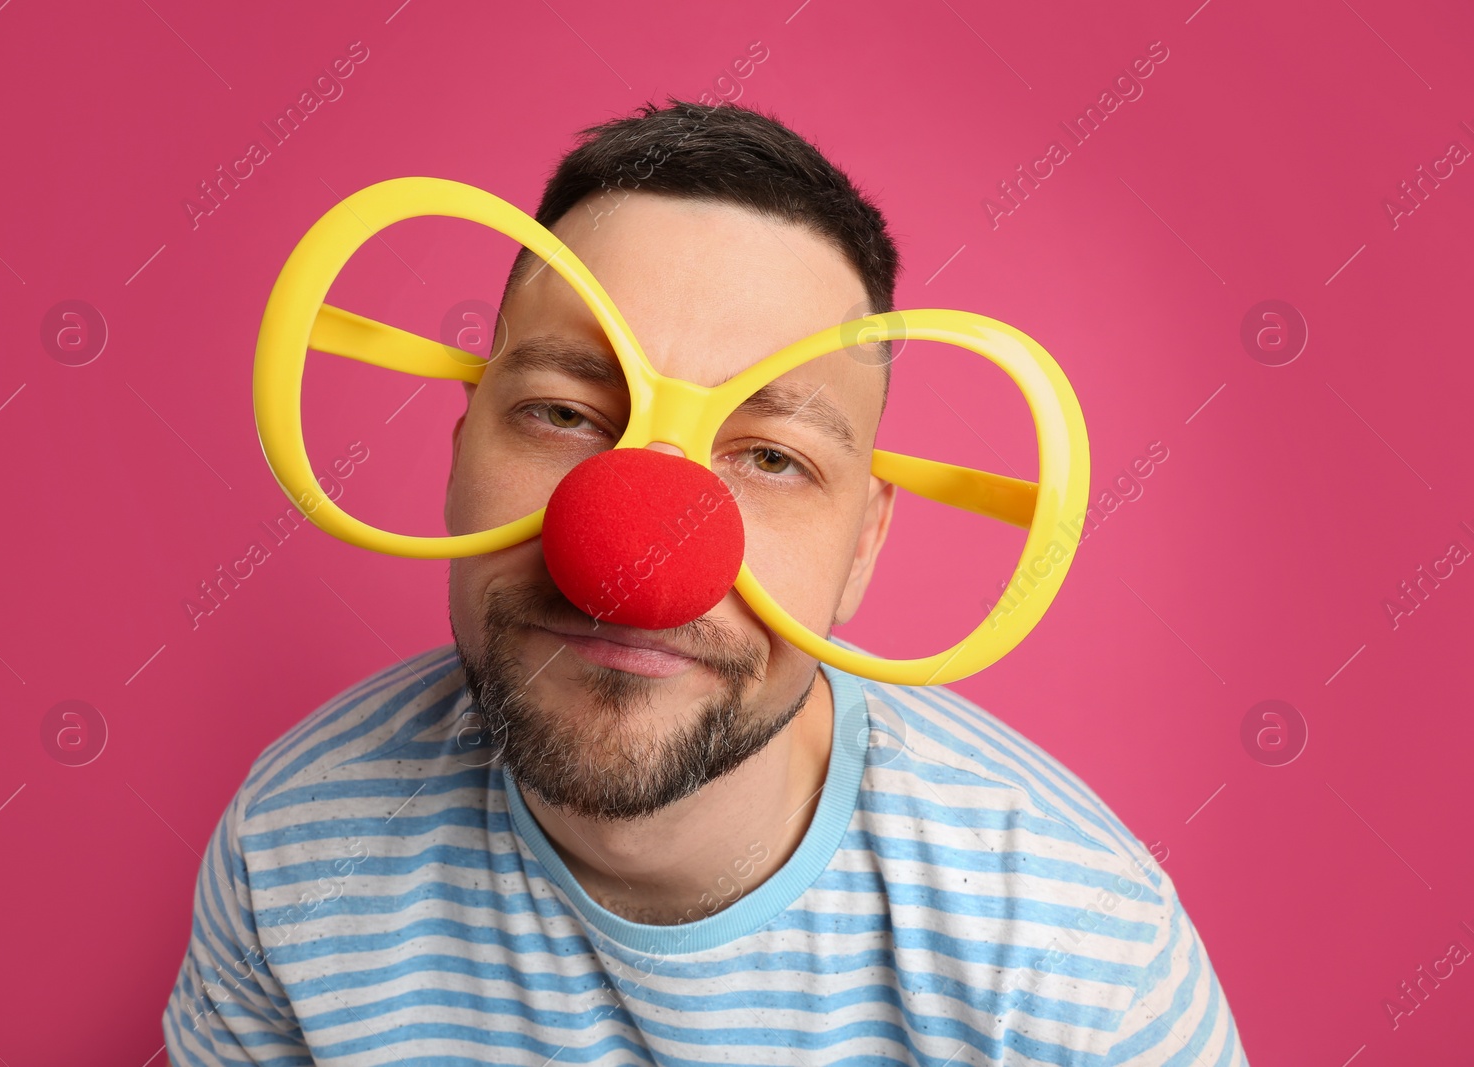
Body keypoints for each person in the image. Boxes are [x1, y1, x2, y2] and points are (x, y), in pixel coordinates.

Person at [162, 97, 1249, 1065]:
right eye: (564, 414)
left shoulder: (1077, 958)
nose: (632, 555)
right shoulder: (297, 843)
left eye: (772, 455)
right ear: (457, 455)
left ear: (864, 545)